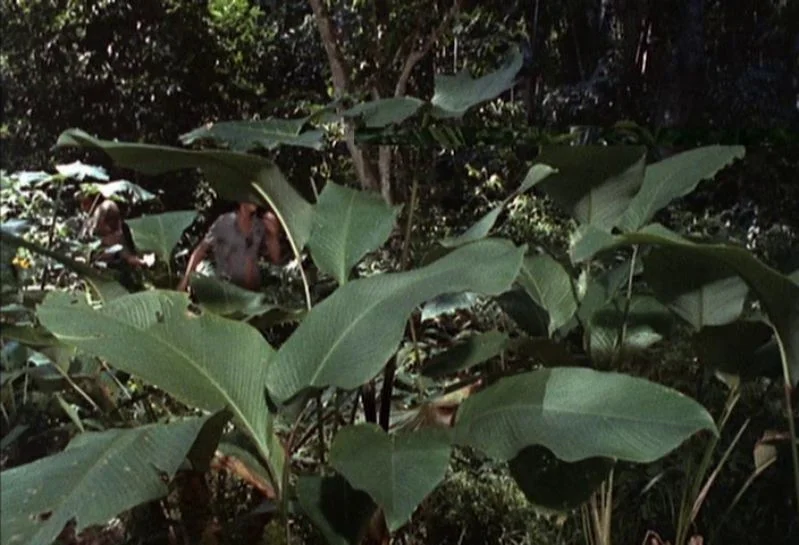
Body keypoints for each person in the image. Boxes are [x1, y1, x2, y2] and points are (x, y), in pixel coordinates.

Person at [177, 201, 281, 292]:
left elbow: (275, 259)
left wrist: (273, 235)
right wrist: (185, 281)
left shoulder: (259, 225)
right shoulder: (225, 222)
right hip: (227, 292)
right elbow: (201, 250)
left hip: (252, 294)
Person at [78, 191, 151, 290]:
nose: (83, 207)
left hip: (114, 276)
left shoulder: (117, 233)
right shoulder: (89, 227)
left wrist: (143, 261)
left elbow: (126, 254)